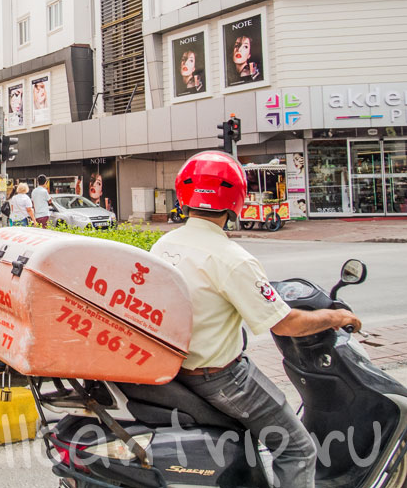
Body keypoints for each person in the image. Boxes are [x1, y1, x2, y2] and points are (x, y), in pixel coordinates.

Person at [151, 151, 361, 488]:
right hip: (223, 378)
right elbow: (286, 324)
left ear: (184, 195)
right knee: (298, 449)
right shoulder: (232, 258)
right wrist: (335, 316)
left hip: (178, 370)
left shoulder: (164, 245)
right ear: (236, 199)